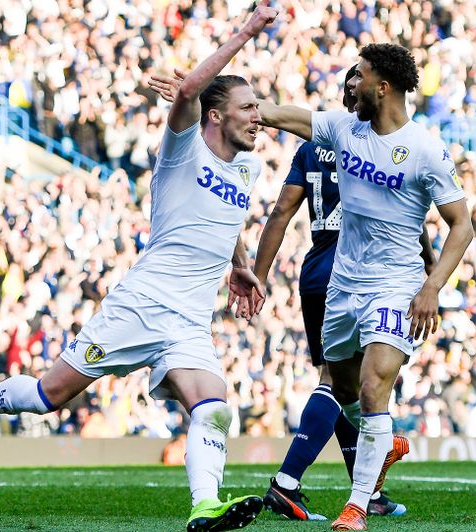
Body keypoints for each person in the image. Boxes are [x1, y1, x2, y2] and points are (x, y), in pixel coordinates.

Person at [0, 3, 279, 531]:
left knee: (214, 407)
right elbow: (186, 96)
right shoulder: (183, 150)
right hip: (142, 304)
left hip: (189, 318)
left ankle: (204, 506)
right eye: (249, 107)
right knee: (51, 395)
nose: (259, 118)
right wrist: (247, 30)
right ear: (215, 115)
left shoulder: (248, 167)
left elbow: (221, 222)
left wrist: (241, 265)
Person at [149, 64, 417, 521]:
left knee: (343, 382)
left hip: (315, 271)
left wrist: (258, 272)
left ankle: (365, 488)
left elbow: (280, 213)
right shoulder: (382, 145)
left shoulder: (314, 144)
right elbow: (407, 211)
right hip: (359, 269)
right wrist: (427, 266)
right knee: (345, 385)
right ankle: (289, 481)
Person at [255, 44, 474, 530]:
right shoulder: (341, 129)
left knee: (376, 388)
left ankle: (356, 506)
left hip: (395, 286)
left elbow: (462, 224)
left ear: (383, 87)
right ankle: (386, 444)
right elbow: (278, 114)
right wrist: (212, 93)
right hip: (342, 285)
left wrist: (432, 285)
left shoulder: (425, 148)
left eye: (362, 76)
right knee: (348, 394)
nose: (352, 85)